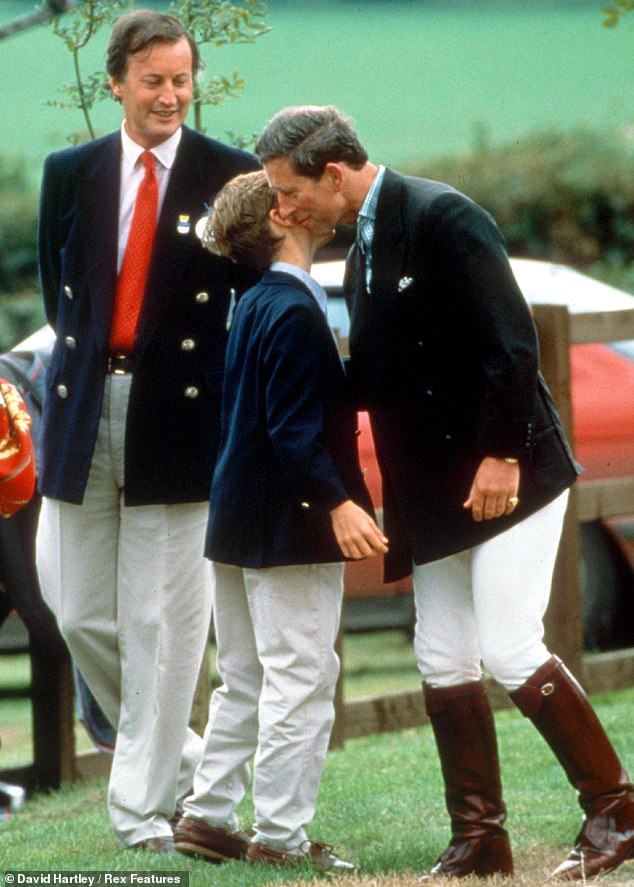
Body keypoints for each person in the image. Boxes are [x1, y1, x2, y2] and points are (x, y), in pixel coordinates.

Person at [254, 105, 634, 881]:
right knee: (440, 654)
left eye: (290, 191)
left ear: (334, 174)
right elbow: (380, 372)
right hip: (431, 492)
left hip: (507, 474)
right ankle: (479, 838)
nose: (284, 208)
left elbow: (511, 341)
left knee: (510, 645)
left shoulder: (444, 216)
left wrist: (500, 454)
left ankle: (617, 811)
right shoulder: (360, 245)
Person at [35, 9, 259, 852]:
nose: (170, 96)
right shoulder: (70, 172)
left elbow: (252, 298)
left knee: (160, 626)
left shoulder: (231, 175)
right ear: (117, 84)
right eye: (154, 81)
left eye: (182, 80)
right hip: (84, 407)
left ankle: (140, 812)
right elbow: (61, 293)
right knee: (80, 612)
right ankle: (184, 760)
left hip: (182, 417)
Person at [173, 170, 387, 871]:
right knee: (302, 677)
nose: (308, 197)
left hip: (239, 517)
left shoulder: (258, 300)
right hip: (287, 524)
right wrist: (337, 501)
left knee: (243, 676)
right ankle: (281, 837)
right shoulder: (291, 308)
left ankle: (208, 816)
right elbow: (293, 429)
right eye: (289, 192)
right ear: (279, 216)